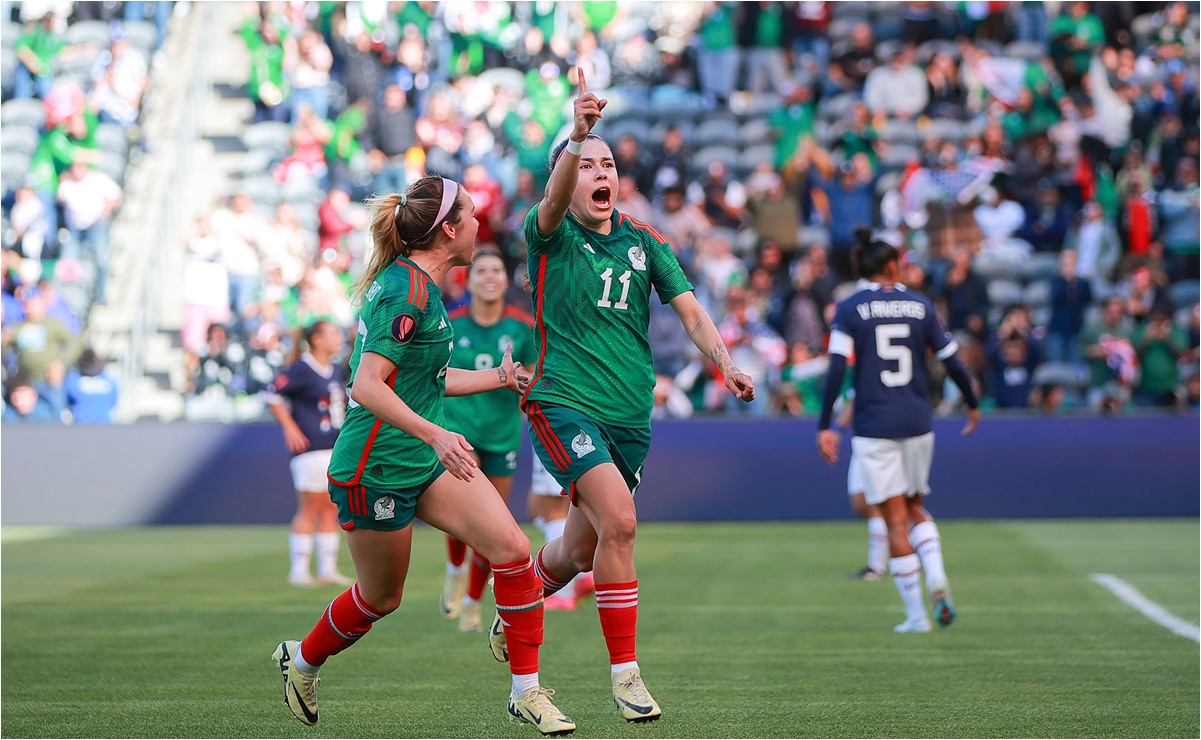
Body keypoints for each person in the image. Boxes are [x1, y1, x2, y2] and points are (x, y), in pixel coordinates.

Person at [487, 70, 756, 723]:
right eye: (585, 164)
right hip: (563, 402)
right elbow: (549, 204)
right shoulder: (548, 232)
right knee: (623, 522)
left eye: (606, 162)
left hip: (629, 418)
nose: (599, 170)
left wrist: (723, 362)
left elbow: (691, 313)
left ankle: (514, 607)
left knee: (580, 550)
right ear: (566, 177)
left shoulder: (644, 241)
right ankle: (626, 677)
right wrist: (576, 133)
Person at [271, 175, 575, 736]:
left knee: (511, 549)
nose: (482, 222)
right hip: (375, 466)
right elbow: (366, 386)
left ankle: (526, 692)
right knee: (381, 597)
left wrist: (498, 377)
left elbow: (427, 380)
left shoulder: (425, 289)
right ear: (449, 231)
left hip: (422, 459)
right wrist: (436, 435)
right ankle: (302, 661)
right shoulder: (406, 290)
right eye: (472, 214)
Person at [817, 229, 980, 634]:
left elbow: (837, 367)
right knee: (915, 505)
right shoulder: (920, 305)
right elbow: (952, 360)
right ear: (893, 265)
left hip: (875, 425)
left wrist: (825, 425)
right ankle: (937, 575)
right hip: (917, 421)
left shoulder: (850, 308)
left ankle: (917, 615)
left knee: (893, 519)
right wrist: (972, 402)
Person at [439, 248, 538, 632]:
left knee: (492, 525)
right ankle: (453, 568)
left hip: (501, 434)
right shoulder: (452, 322)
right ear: (471, 278)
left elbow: (531, 377)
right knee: (458, 519)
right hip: (459, 432)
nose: (490, 276)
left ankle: (473, 602)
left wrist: (523, 382)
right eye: (482, 270)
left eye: (497, 269)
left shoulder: (521, 326)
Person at [264, 320, 352, 588]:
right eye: (332, 333)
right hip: (310, 448)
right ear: (316, 340)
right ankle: (299, 570)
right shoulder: (302, 368)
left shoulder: (336, 368)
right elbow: (271, 394)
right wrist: (290, 426)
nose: (338, 337)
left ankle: (328, 568)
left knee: (330, 508)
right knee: (310, 506)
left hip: (333, 445)